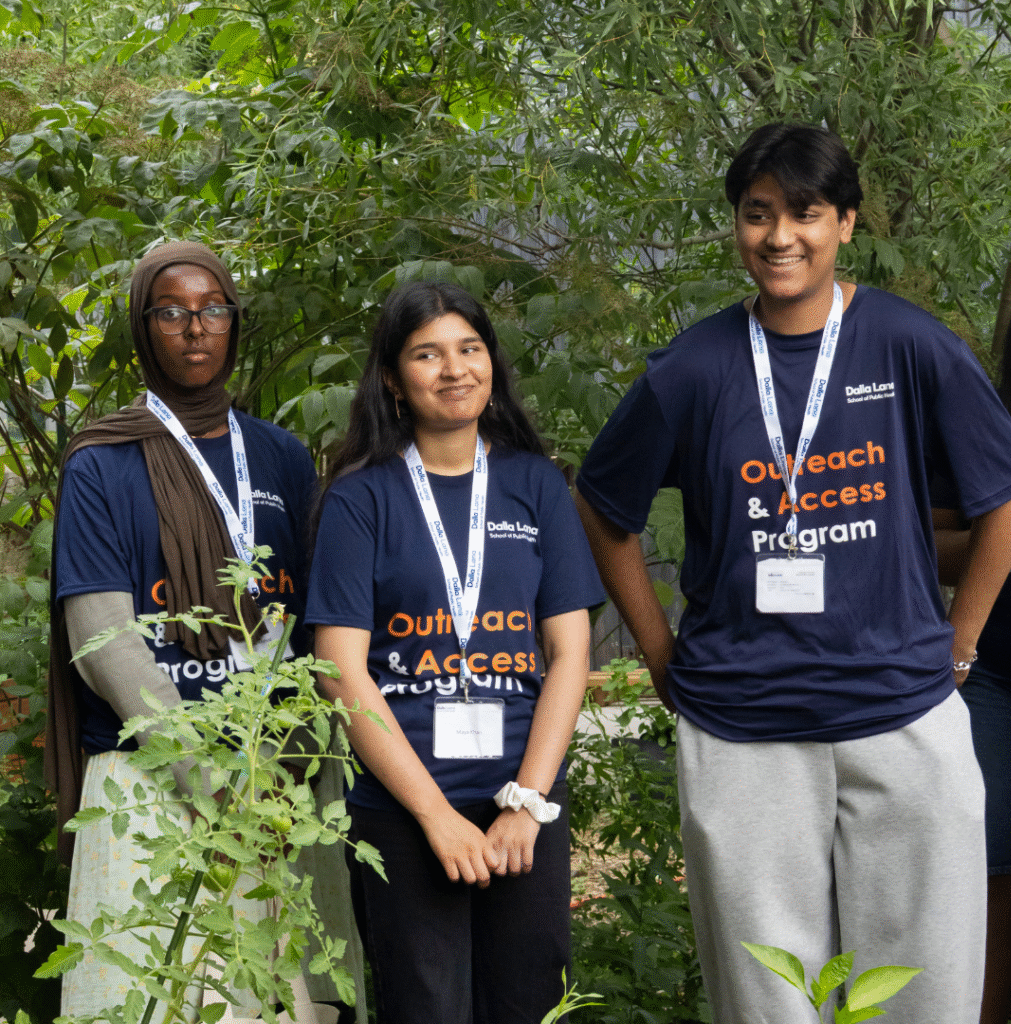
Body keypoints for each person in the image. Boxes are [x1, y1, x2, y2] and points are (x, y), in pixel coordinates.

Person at [573, 123, 1011, 1024]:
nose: (781, 236)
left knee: (926, 993)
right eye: (758, 213)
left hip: (904, 712)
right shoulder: (692, 368)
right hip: (744, 727)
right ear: (736, 227)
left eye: (806, 212)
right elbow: (601, 504)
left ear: (846, 223)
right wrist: (660, 652)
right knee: (767, 1001)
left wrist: (962, 639)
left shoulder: (909, 345)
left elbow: (1003, 497)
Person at [45, 240, 363, 1021]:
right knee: (156, 998)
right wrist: (211, 785)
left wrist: (283, 767)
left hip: (280, 783)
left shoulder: (283, 457)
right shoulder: (101, 463)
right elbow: (104, 641)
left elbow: (317, 620)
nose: (196, 328)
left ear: (234, 323)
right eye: (173, 311)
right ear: (142, 327)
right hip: (150, 778)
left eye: (213, 309)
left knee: (289, 1000)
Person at [306, 280, 604, 1024]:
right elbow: (341, 670)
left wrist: (528, 805)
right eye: (427, 354)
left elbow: (570, 654)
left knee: (529, 1005)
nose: (454, 369)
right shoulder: (359, 498)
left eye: (469, 349)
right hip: (405, 810)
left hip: (523, 805)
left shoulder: (534, 485)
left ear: (491, 363)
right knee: (424, 1010)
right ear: (391, 379)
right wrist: (436, 817)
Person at [933, 273, 1011, 1024]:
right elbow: (916, 542)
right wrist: (1006, 536)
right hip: (996, 669)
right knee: (990, 864)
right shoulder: (992, 417)